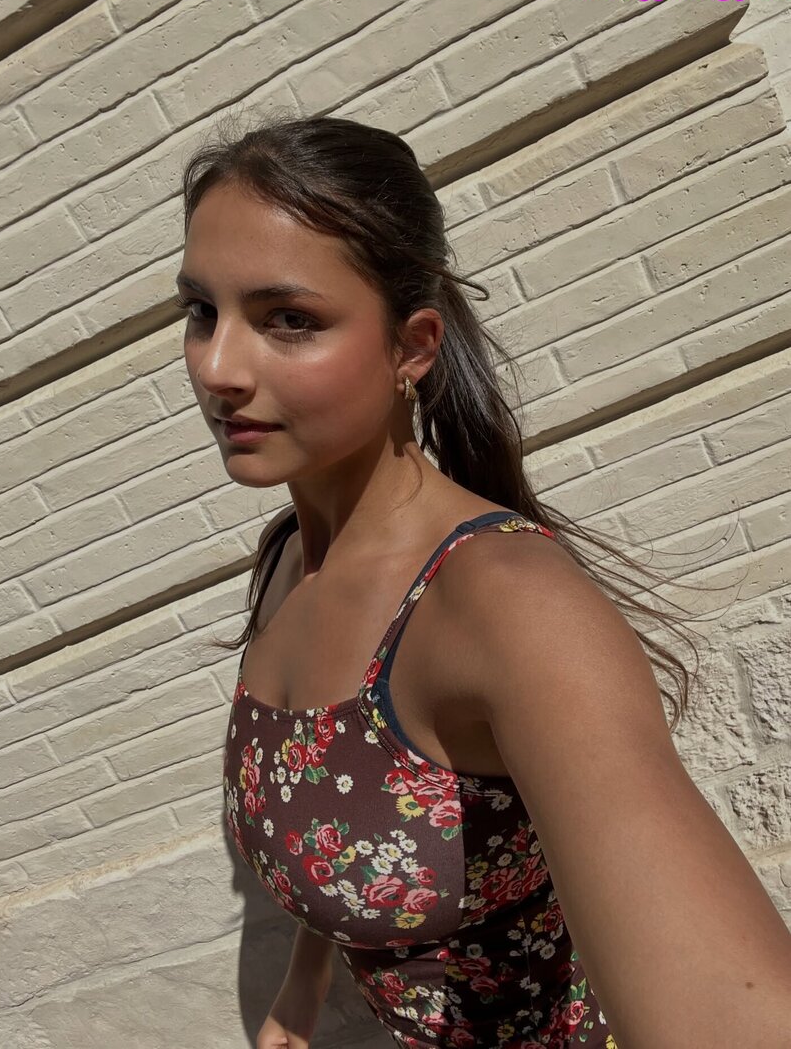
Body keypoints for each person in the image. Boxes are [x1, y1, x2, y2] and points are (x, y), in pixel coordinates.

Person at [176, 113, 791, 1048]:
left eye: (288, 319)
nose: (217, 367)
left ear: (413, 347)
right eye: (200, 312)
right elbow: (341, 806)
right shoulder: (291, 557)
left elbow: (731, 1016)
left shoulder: (507, 607)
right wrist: (303, 986)